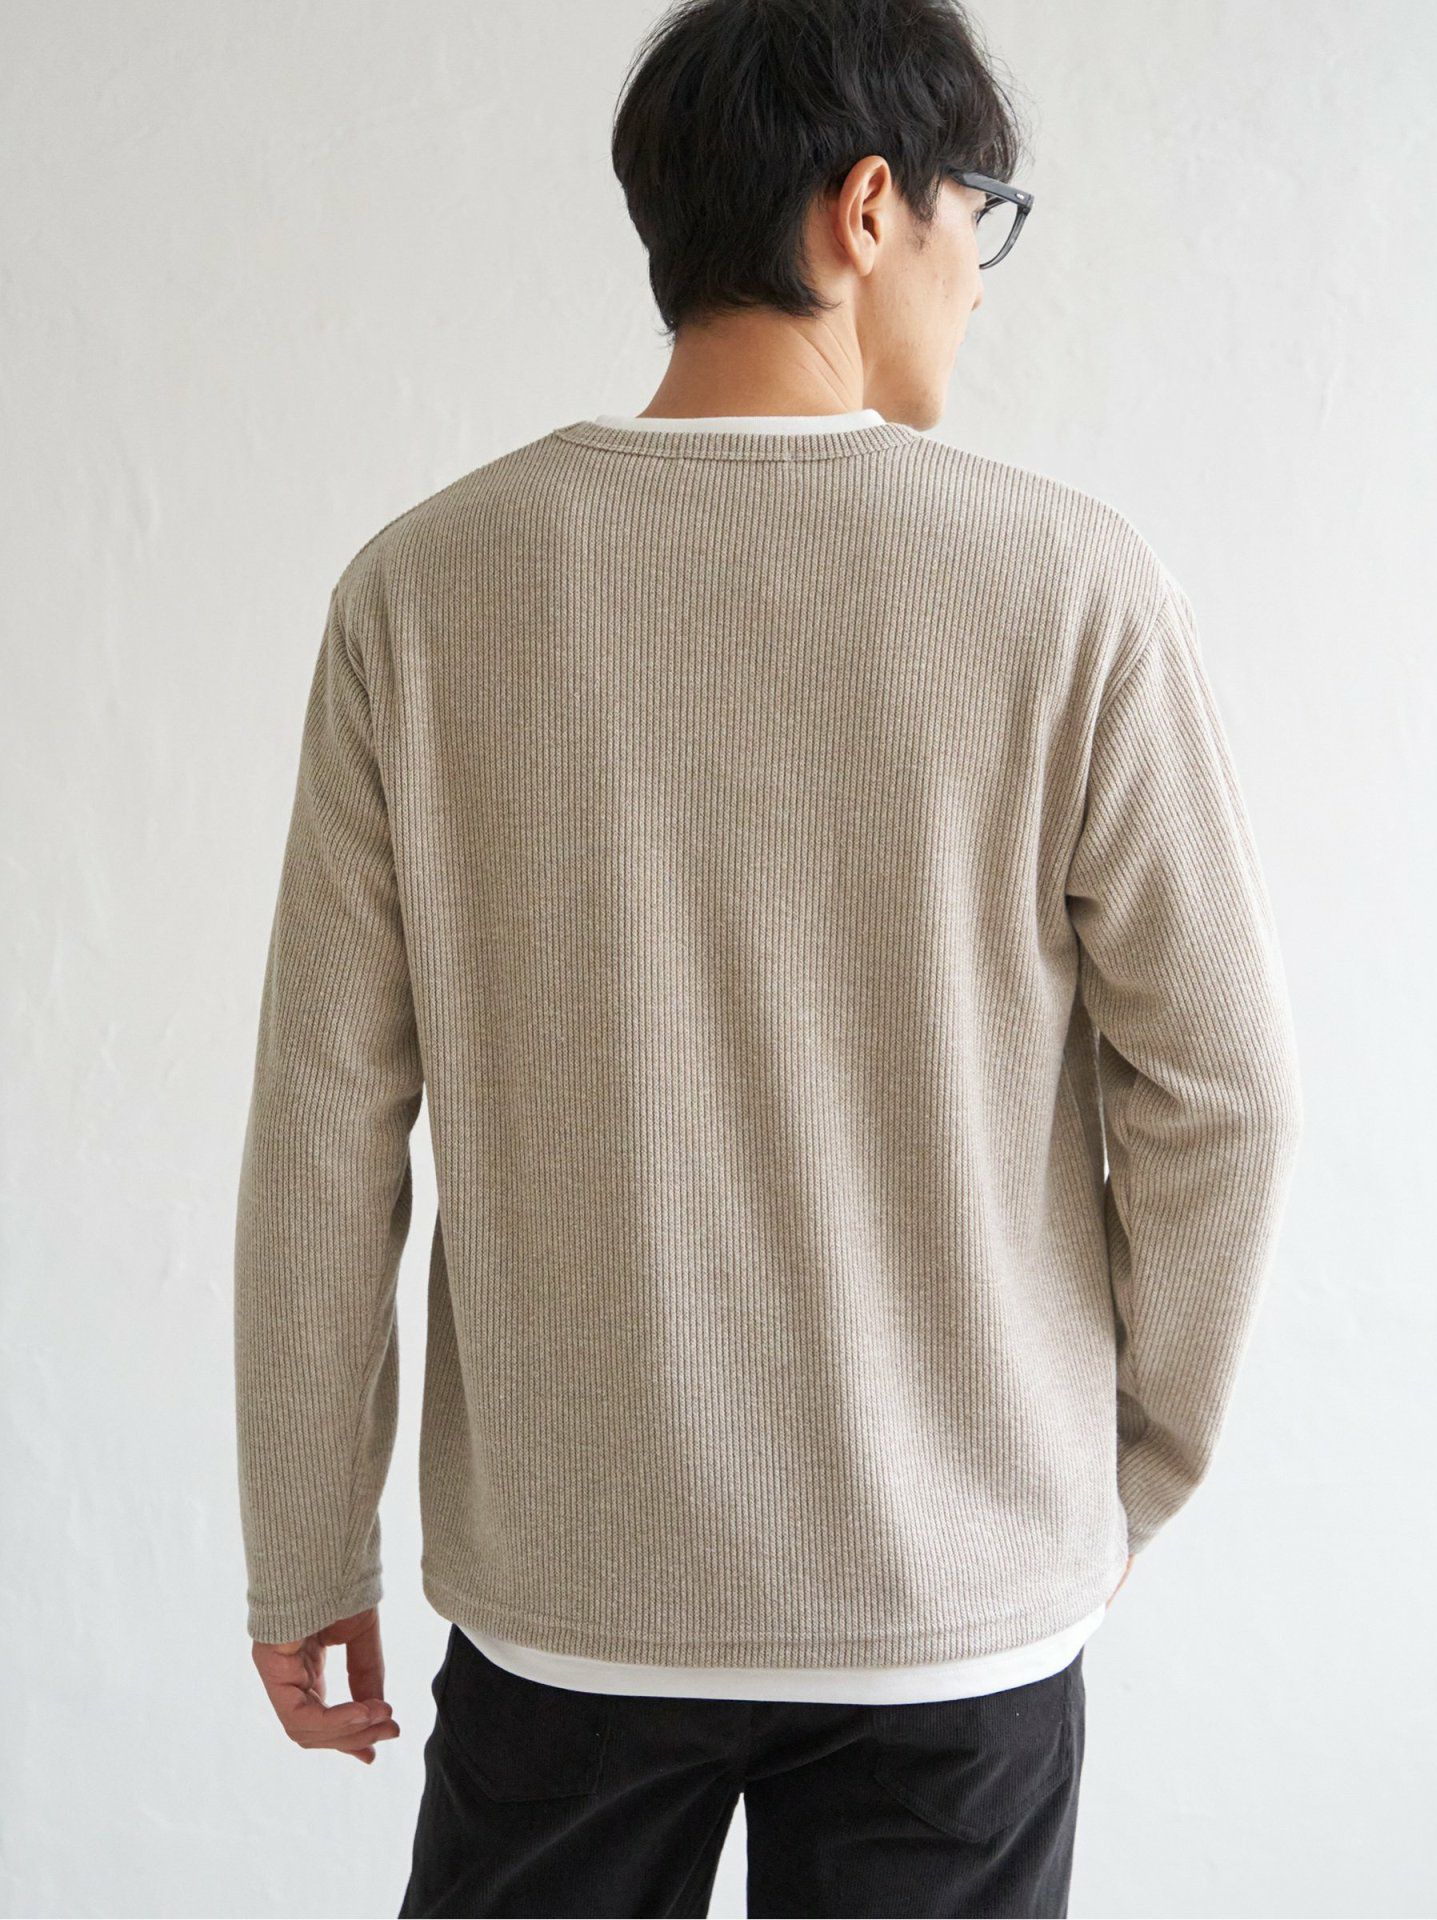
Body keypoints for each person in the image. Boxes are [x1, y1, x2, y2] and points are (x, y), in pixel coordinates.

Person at [232, 0, 1304, 1914]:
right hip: (949, 1605)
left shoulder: (427, 589)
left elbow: (328, 1119)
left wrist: (305, 1540)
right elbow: (1223, 1089)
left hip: (574, 1599)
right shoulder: (1070, 586)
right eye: (981, 214)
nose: (980, 275)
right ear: (869, 209)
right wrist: (1120, 1472)